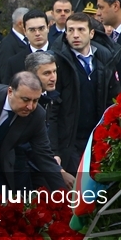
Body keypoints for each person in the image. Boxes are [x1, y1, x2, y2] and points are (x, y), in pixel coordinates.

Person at [54, 13, 120, 173]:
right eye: (70, 30)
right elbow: (53, 111)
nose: (75, 35)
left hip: (97, 137)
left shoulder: (105, 60)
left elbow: (114, 101)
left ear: (91, 33)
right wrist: (54, 150)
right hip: (70, 138)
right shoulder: (58, 62)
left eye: (81, 30)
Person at [22, 51, 74, 188]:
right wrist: (59, 170)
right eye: (47, 73)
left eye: (54, 72)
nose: (53, 78)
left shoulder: (49, 98)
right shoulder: (26, 104)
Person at [1, 9, 50, 83]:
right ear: (25, 31)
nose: (37, 33)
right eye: (32, 30)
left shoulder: (61, 56)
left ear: (48, 28)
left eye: (41, 28)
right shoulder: (14, 62)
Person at [0, 7, 29, 76]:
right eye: (28, 22)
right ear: (20, 24)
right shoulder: (7, 44)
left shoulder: (28, 39)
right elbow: (5, 72)